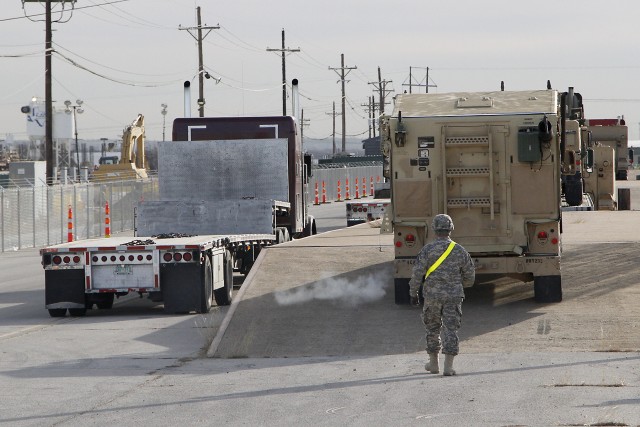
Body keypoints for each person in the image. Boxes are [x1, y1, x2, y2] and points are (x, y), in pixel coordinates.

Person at [409, 214, 475, 376]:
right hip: (453, 296)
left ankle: (433, 364)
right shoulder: (460, 250)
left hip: (432, 296)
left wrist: (413, 293)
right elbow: (470, 275)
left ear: (434, 229)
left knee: (432, 328)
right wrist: (460, 286)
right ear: (451, 229)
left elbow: (417, 273)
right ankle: (448, 366)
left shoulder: (427, 250)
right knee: (451, 329)